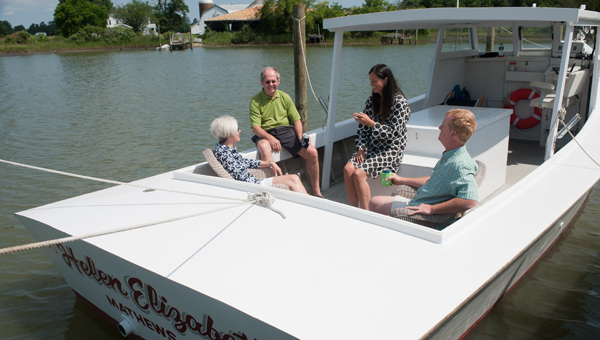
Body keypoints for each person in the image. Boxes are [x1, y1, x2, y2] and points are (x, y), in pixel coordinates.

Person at [370, 108, 479, 216]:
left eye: (443, 126)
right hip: (419, 200)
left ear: (453, 133)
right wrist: (401, 180)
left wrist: (432, 209)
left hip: (421, 208)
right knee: (377, 201)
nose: (439, 128)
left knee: (374, 203)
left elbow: (470, 200)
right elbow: (433, 180)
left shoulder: (460, 164)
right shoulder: (450, 155)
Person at [343, 64, 411, 210]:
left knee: (359, 174)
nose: (371, 84)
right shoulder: (371, 101)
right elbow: (362, 129)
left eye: (374, 81)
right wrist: (361, 148)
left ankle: (366, 214)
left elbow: (394, 133)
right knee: (348, 169)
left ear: (385, 80)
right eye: (370, 81)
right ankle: (353, 210)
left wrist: (372, 124)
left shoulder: (400, 103)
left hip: (390, 148)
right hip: (371, 146)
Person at [249, 67, 323, 197]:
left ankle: (315, 190)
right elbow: (255, 127)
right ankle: (274, 192)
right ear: (261, 82)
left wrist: (300, 136)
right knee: (264, 146)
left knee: (312, 152)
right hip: (265, 132)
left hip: (285, 131)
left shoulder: (285, 97)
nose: (271, 84)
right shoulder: (255, 101)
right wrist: (270, 138)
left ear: (278, 81)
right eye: (267, 82)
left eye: (273, 81)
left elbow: (297, 121)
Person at [210, 115, 308, 194]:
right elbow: (240, 178)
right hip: (254, 185)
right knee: (293, 178)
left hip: (253, 182)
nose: (240, 131)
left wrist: (269, 163)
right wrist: (260, 182)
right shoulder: (225, 154)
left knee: (293, 178)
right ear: (230, 133)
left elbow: (245, 162)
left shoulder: (224, 149)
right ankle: (311, 206)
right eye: (237, 129)